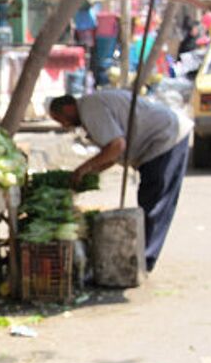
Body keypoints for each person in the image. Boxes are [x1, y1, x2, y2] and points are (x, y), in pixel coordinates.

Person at [49, 90, 192, 272]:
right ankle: (143, 256)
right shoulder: (90, 107)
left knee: (154, 204)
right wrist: (90, 172)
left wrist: (83, 168)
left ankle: (145, 260)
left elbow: (117, 146)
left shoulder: (90, 108)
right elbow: (113, 154)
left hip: (165, 138)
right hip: (161, 139)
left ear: (69, 108)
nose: (64, 125)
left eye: (61, 119)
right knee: (149, 200)